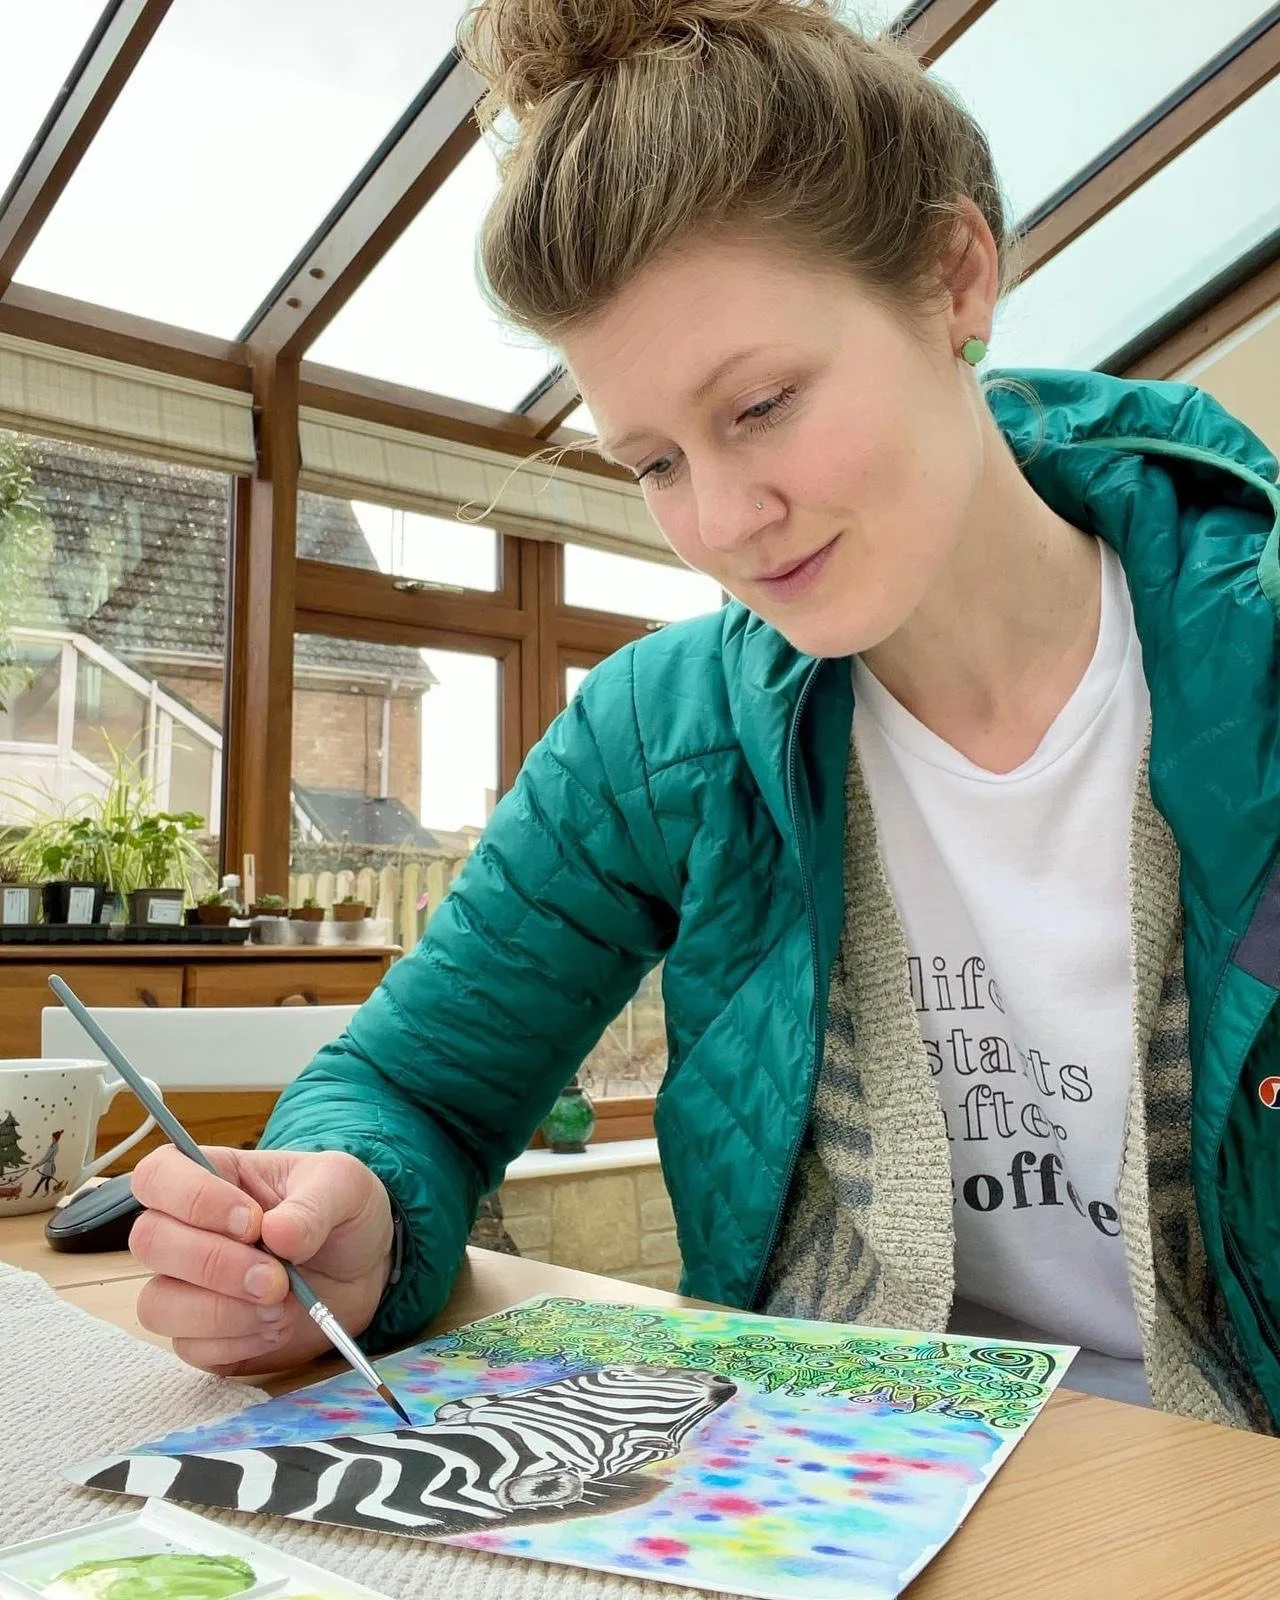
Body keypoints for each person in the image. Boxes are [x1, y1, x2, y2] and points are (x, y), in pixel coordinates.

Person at [127, 0, 1280, 1434]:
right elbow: (407, 1087)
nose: (725, 524)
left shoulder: (1262, 660)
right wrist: (347, 1215)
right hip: (825, 1496)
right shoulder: (656, 739)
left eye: (765, 405)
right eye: (655, 461)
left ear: (955, 274)